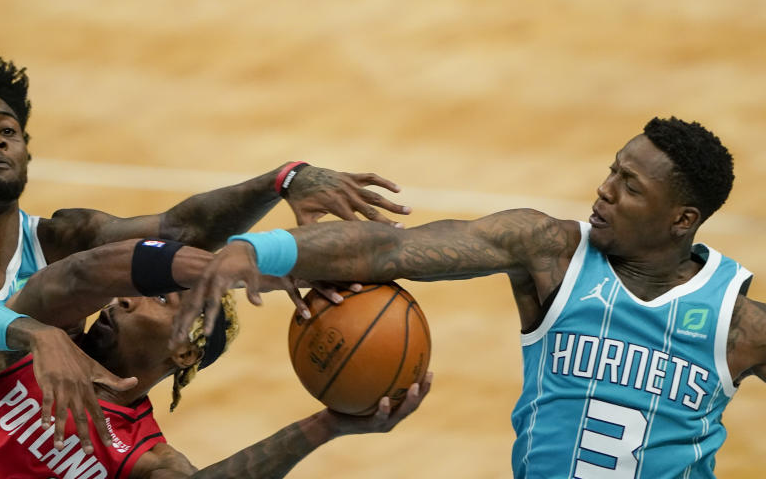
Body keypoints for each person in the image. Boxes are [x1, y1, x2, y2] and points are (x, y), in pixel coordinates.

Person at [0, 49, 411, 479]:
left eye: (8, 129)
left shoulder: (61, 239)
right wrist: (35, 334)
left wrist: (282, 181)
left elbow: (180, 231)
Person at [178, 116, 765, 478]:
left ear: (681, 219)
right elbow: (387, 250)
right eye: (612, 171)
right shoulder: (550, 252)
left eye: (630, 186)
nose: (605, 189)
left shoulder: (737, 326)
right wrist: (264, 252)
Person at [0, 235, 432, 478]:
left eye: (157, 300)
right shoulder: (29, 341)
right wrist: (245, 265)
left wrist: (326, 425)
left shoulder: (143, 452)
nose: (122, 297)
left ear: (185, 349)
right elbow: (80, 274)